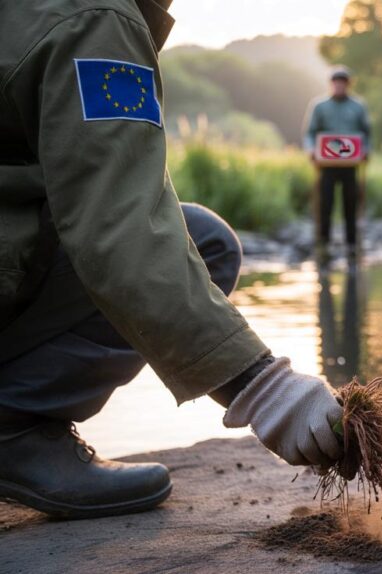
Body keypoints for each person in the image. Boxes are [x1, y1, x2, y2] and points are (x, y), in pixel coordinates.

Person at [0, 0, 351, 519]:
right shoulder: (96, 16)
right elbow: (121, 225)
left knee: (200, 233)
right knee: (207, 243)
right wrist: (263, 386)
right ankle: (14, 430)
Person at [303, 68, 372, 256]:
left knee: (351, 202)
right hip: (326, 165)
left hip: (351, 165)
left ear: (348, 84)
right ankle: (324, 242)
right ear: (331, 84)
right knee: (326, 202)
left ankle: (351, 243)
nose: (339, 85)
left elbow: (366, 132)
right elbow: (310, 133)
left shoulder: (358, 106)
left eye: (343, 82)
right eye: (336, 82)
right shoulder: (319, 106)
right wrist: (311, 150)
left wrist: (365, 151)